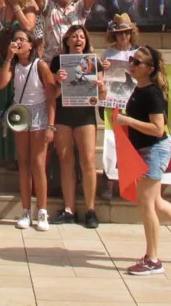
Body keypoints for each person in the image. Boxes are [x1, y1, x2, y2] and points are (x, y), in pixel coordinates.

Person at [111, 45, 171, 274]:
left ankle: (153, 259)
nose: (132, 65)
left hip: (154, 150)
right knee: (156, 203)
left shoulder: (152, 93)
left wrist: (129, 122)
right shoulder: (139, 89)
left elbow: (157, 129)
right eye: (132, 60)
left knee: (146, 204)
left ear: (150, 69)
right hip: (148, 150)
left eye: (138, 63)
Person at [0, 28, 55, 230]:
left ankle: (42, 211)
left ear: (31, 45)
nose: (18, 42)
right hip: (21, 112)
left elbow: (51, 93)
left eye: (22, 39)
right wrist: (8, 56)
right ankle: (25, 211)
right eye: (15, 39)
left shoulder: (40, 65)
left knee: (38, 164)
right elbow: (2, 83)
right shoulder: (12, 64)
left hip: (39, 111)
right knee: (23, 163)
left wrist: (51, 125)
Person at [50, 24, 103, 228]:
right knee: (66, 162)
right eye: (74, 36)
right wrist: (57, 80)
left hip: (85, 115)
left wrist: (101, 87)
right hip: (63, 114)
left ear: (86, 41)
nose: (78, 40)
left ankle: (90, 210)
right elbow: (52, 95)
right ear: (67, 41)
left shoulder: (93, 61)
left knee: (88, 161)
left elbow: (101, 96)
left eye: (82, 36)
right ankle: (69, 208)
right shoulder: (57, 62)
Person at [100, 14, 139, 201]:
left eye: (127, 33)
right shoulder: (107, 54)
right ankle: (109, 184)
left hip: (133, 105)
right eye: (120, 34)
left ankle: (129, 184)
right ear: (114, 36)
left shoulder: (140, 53)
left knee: (131, 145)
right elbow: (98, 76)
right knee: (111, 143)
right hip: (112, 105)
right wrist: (103, 68)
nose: (123, 37)